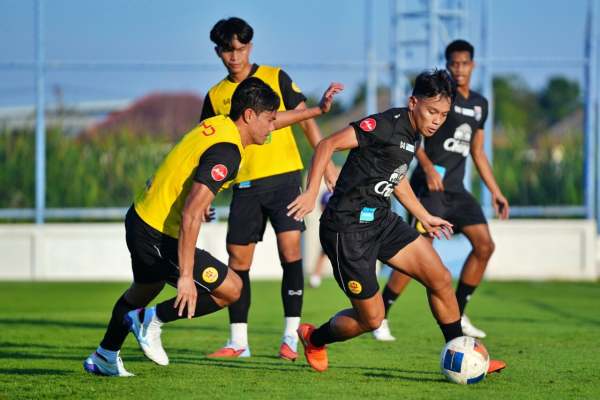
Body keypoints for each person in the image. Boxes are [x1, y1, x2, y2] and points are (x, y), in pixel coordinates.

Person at [83, 77, 342, 377]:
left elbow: (272, 121)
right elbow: (191, 214)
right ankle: (150, 320)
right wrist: (185, 277)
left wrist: (315, 111)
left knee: (143, 290)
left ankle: (105, 355)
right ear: (249, 115)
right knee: (231, 289)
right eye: (269, 120)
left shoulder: (221, 123)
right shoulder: (227, 152)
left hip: (141, 217)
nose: (273, 127)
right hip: (158, 232)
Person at [287, 69, 505, 374]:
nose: (437, 121)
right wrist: (312, 192)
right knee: (372, 319)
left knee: (440, 278)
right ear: (413, 102)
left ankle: (463, 352)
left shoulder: (414, 134)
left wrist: (424, 216)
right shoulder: (386, 124)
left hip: (381, 220)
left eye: (443, 115)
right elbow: (327, 145)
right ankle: (315, 338)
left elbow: (397, 177)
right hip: (347, 230)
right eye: (432, 112)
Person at [200, 17, 339, 361]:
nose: (235, 57)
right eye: (227, 51)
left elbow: (305, 119)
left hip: (284, 180)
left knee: (290, 251)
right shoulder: (215, 96)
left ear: (250, 47)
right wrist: (204, 195)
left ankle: (291, 336)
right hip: (244, 186)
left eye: (241, 49)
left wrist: (327, 166)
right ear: (217, 52)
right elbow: (207, 146)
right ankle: (239, 341)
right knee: (237, 260)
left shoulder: (276, 77)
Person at [373, 40, 510, 342]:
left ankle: (458, 312)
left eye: (464, 63)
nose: (459, 69)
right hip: (430, 188)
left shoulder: (480, 104)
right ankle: (381, 315)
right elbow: (416, 137)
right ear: (448, 65)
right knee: (419, 252)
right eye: (454, 64)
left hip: (457, 191)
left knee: (485, 245)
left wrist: (496, 191)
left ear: (472, 65)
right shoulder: (440, 99)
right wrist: (428, 167)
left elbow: (477, 151)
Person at [308, 191, 333, 288]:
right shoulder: (327, 194)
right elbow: (322, 206)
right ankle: (316, 277)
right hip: (330, 227)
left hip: (343, 227)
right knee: (323, 252)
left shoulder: (344, 191)